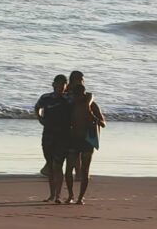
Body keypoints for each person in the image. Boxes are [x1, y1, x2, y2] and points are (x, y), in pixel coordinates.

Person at [64, 80, 106, 205]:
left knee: (85, 170)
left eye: (79, 95)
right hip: (73, 139)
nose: (76, 98)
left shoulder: (92, 105)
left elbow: (103, 123)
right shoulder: (71, 105)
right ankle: (70, 195)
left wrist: (93, 116)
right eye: (75, 95)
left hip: (88, 140)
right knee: (68, 169)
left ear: (83, 94)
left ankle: (80, 197)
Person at [34, 74, 71, 203]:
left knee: (58, 165)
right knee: (50, 165)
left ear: (66, 86)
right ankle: (51, 194)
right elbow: (37, 107)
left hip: (63, 136)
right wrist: (40, 118)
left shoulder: (68, 99)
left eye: (63, 84)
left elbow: (84, 101)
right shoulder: (46, 98)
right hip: (48, 134)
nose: (60, 87)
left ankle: (58, 196)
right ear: (53, 84)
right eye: (58, 84)